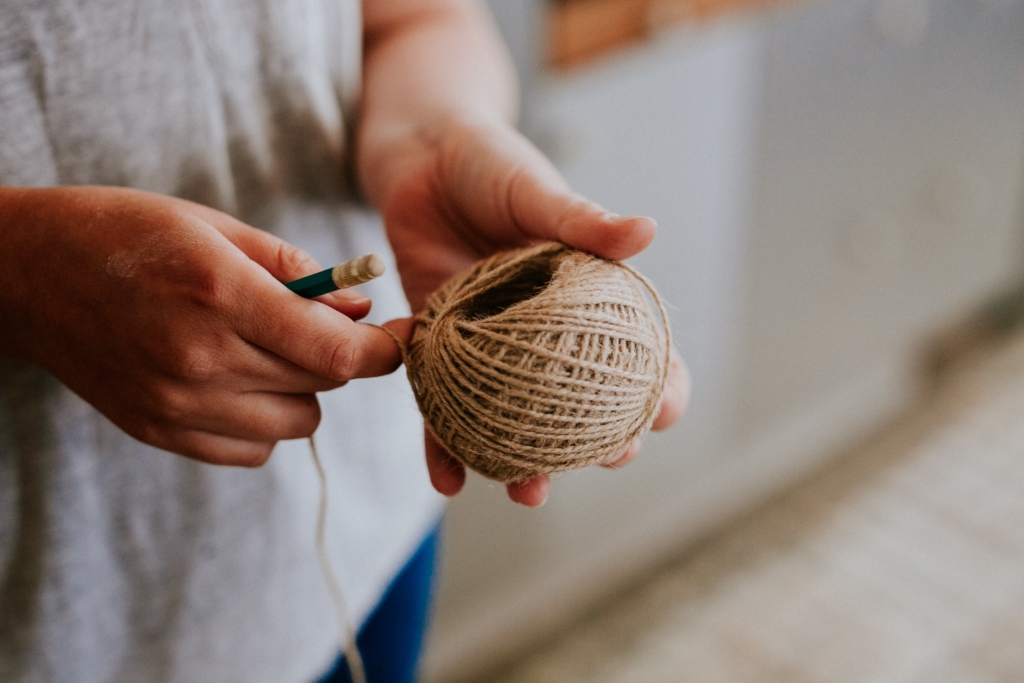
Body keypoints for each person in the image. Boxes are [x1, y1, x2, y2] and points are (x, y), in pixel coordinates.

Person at [0, 0, 690, 681]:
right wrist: (24, 274)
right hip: (58, 608)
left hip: (372, 512)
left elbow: (415, 17)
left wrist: (436, 131)